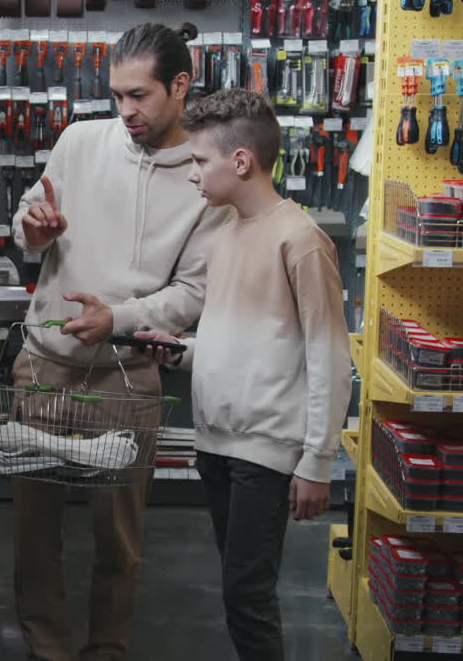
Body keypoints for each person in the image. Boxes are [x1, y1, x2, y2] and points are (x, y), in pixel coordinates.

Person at [9, 21, 230, 661]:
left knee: (120, 540)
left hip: (126, 377)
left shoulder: (204, 175)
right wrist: (35, 229)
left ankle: (107, 649)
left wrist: (122, 317)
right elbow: (29, 219)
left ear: (180, 86)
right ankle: (45, 648)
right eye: (118, 96)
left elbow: (193, 290)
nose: (125, 111)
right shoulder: (80, 141)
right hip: (44, 368)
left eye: (139, 96)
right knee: (33, 534)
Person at [138, 88, 352, 661]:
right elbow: (238, 338)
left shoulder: (301, 240)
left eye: (200, 162)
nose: (193, 176)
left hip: (267, 449)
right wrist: (181, 353)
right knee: (241, 595)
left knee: (247, 596)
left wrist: (317, 461)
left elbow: (330, 356)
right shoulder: (224, 236)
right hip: (216, 444)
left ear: (240, 161)